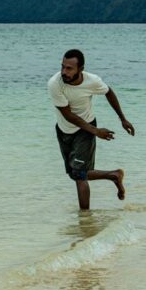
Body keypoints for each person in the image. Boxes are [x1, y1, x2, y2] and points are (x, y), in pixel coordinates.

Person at [48, 49, 135, 210]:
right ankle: (113, 175)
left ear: (80, 69)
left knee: (80, 176)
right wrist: (96, 131)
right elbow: (68, 115)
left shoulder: (92, 81)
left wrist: (122, 118)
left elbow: (108, 92)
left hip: (85, 129)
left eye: (69, 68)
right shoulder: (55, 84)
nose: (63, 72)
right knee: (74, 174)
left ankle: (85, 221)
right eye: (63, 67)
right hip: (64, 129)